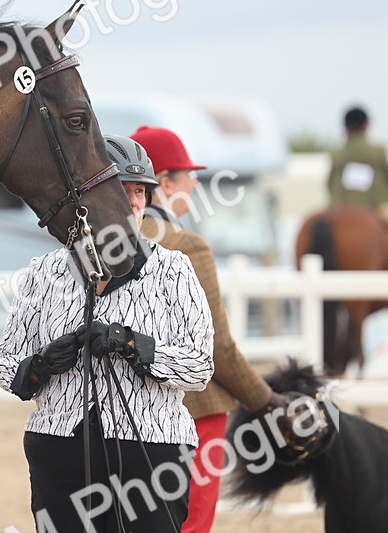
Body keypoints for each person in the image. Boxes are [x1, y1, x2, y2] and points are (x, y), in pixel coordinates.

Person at [0, 135, 214, 532]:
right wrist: (41, 364)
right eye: (121, 190)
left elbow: (199, 367)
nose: (133, 202)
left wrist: (134, 345)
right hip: (59, 448)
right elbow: (7, 364)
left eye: (140, 191)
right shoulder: (45, 272)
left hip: (151, 446)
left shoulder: (174, 271)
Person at [129, 125, 290, 533]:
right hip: (195, 411)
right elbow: (216, 348)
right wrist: (266, 401)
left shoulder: (106, 240)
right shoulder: (186, 245)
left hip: (125, 411)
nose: (195, 183)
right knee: (191, 522)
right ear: (163, 183)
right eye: (187, 175)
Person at [327, 106, 388, 264]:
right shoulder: (378, 151)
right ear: (366, 126)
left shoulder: (338, 153)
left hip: (339, 206)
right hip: (377, 206)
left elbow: (329, 184)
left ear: (345, 128)